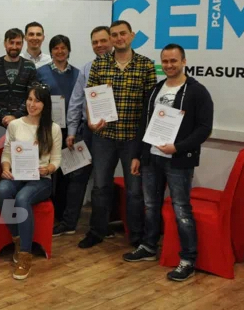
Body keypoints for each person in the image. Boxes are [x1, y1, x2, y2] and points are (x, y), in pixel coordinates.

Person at [124, 44, 213, 282]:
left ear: (184, 61)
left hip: (178, 160)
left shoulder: (197, 92)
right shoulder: (156, 89)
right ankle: (148, 246)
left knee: (181, 209)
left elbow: (204, 129)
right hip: (151, 158)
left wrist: (178, 147)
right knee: (151, 205)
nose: (169, 65)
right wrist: (137, 155)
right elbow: (144, 125)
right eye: (165, 61)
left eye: (174, 61)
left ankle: (188, 260)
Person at [78, 20, 156, 249]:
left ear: (132, 35)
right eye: (115, 35)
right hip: (104, 137)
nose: (119, 38)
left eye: (123, 33)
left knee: (134, 190)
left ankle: (136, 235)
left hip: (133, 138)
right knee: (100, 186)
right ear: (111, 39)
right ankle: (97, 231)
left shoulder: (146, 65)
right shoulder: (100, 64)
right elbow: (90, 96)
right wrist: (91, 120)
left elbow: (150, 105)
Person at [0, 85, 62, 279]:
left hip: (41, 179)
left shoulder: (53, 128)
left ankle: (25, 255)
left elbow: (56, 159)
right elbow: (7, 153)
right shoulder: (15, 125)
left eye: (37, 101)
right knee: (2, 190)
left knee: (22, 198)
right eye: (30, 99)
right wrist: (6, 167)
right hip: (17, 174)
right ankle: (18, 239)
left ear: (45, 104)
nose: (32, 104)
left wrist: (48, 169)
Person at [55, 26, 112, 236]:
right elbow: (76, 101)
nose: (99, 45)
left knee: (101, 183)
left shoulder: (122, 69)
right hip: (86, 131)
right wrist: (71, 131)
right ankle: (69, 223)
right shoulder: (87, 69)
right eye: (95, 42)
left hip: (112, 134)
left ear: (111, 41)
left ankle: (100, 228)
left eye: (103, 41)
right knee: (77, 177)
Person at [37, 35, 79, 222]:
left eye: (63, 48)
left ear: (69, 50)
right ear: (51, 51)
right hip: (47, 130)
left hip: (69, 131)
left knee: (66, 173)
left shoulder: (78, 74)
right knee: (46, 170)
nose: (60, 51)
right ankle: (46, 213)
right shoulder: (41, 72)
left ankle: (61, 215)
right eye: (56, 48)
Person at [0, 28, 40, 128]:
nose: (14, 46)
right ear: (5, 43)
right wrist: (4, 115)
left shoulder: (29, 66)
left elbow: (32, 95)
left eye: (18, 43)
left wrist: (15, 116)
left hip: (23, 123)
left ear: (22, 44)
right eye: (11, 42)